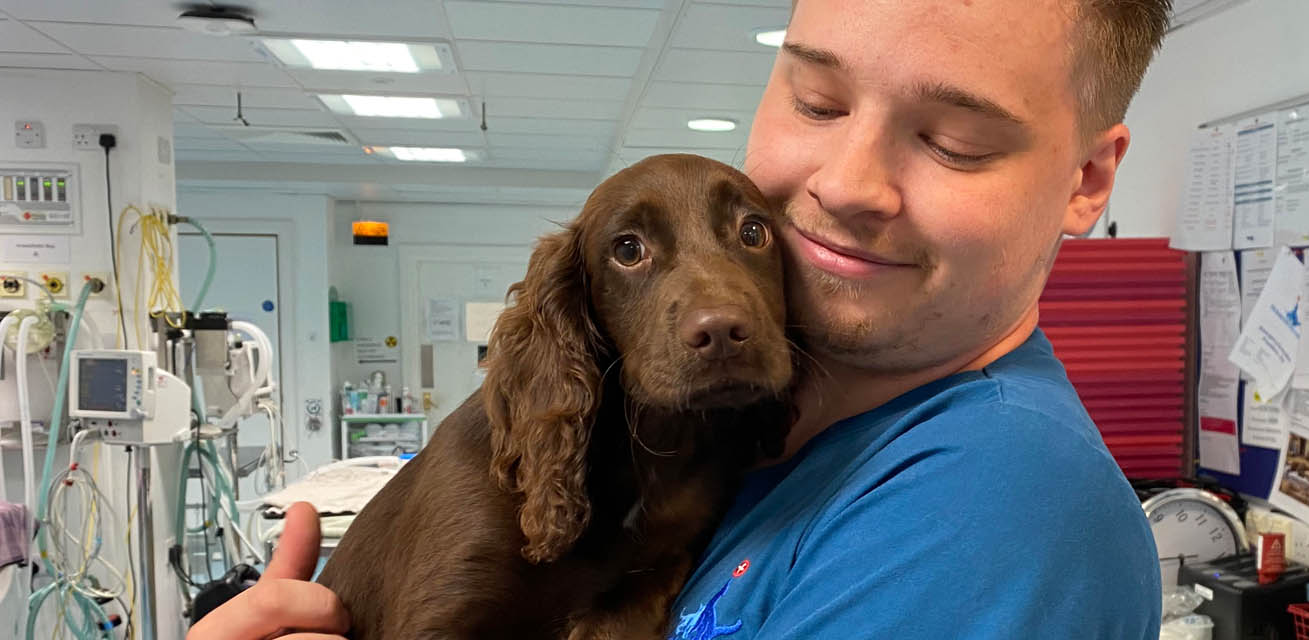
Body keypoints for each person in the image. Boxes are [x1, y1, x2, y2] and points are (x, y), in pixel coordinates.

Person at [189, 0, 1172, 638]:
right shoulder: (749, 443)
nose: (848, 184)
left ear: (1087, 178)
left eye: (954, 139)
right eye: (819, 99)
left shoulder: (995, 507)